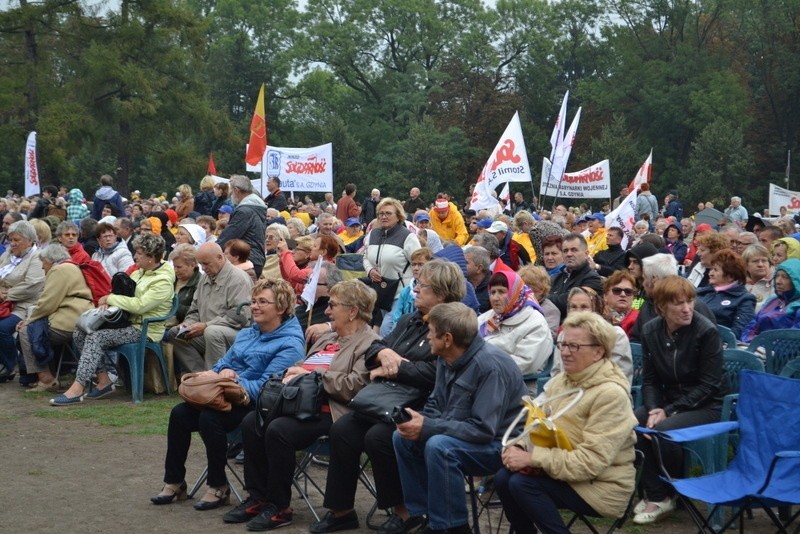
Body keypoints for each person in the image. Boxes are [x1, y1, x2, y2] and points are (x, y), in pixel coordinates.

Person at [302, 260, 465, 534]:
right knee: (343, 428)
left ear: (441, 292)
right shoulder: (410, 320)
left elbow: (440, 371)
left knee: (378, 437)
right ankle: (341, 511)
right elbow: (375, 347)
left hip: (426, 404)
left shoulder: (455, 325)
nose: (415, 290)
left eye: (422, 286)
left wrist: (398, 367)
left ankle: (404, 512)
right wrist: (384, 354)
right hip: (386, 398)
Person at [229, 280, 379, 531]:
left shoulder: (369, 344)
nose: (328, 311)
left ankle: (281, 508)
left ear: (352, 311)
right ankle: (259, 496)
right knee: (252, 420)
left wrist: (316, 375)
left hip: (332, 410)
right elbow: (302, 364)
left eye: (332, 305)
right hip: (299, 401)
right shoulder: (327, 337)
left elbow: (355, 386)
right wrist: (293, 372)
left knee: (279, 430)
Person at [151, 279, 305, 510]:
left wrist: (231, 379)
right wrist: (219, 374)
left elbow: (269, 388)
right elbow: (221, 365)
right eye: (253, 301)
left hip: (259, 407)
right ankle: (175, 481)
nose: (254, 306)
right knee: (180, 413)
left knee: (210, 418)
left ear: (281, 308)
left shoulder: (290, 344)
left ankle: (218, 485)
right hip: (227, 396)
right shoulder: (246, 334)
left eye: (263, 302)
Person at [496, 312, 637, 534]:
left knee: (523, 485)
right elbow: (536, 424)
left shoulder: (611, 394)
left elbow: (591, 462)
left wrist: (533, 458)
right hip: (564, 471)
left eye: (574, 346)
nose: (564, 353)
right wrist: (519, 447)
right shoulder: (563, 381)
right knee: (504, 478)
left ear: (598, 352)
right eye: (562, 344)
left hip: (601, 485)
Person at [392, 302, 527, 534]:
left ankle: (453, 526)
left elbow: (483, 430)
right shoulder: (446, 358)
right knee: (402, 437)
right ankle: (425, 516)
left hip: (503, 445)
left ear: (447, 338)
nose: (427, 336)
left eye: (431, 332)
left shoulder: (490, 366)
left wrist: (428, 427)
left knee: (440, 446)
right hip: (467, 436)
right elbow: (435, 404)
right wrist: (418, 422)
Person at [634, 275, 725, 524]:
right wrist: (654, 408)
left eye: (690, 302)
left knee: (663, 429)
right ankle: (657, 494)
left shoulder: (706, 331)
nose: (687, 309)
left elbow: (710, 385)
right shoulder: (650, 330)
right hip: (671, 401)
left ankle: (670, 492)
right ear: (662, 307)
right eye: (678, 303)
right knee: (636, 422)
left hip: (709, 404)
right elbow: (650, 380)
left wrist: (670, 410)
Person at [49, 233, 175, 405]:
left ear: (151, 257)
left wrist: (110, 299)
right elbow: (124, 293)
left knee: (97, 337)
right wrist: (109, 302)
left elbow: (140, 305)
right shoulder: (141, 272)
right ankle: (104, 380)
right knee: (80, 332)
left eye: (139, 253)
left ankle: (77, 388)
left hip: (145, 330)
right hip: (126, 323)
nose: (135, 256)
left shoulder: (163, 281)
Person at [167, 242, 253, 372]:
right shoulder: (205, 278)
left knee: (212, 332)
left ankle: (214, 380)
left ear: (220, 257)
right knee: (175, 333)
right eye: (201, 264)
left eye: (206, 264)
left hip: (237, 333)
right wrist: (188, 324)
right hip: (207, 330)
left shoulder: (238, 279)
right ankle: (200, 375)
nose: (203, 268)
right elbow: (195, 308)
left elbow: (239, 316)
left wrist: (206, 325)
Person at [478, 271, 553, 375]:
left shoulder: (536, 323)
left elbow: (526, 363)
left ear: (515, 293)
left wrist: (480, 364)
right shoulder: (488, 317)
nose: (495, 298)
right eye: (492, 292)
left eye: (501, 292)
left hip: (521, 386)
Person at [363, 198, 420, 333]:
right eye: (381, 214)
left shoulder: (408, 237)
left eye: (388, 213)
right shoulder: (373, 234)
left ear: (398, 216)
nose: (384, 216)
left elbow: (419, 262)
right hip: (379, 293)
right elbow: (365, 257)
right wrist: (370, 270)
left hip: (399, 294)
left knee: (386, 330)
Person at [0, 221, 45, 384]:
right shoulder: (7, 255)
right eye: (10, 240)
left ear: (29, 240)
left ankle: (9, 366)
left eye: (16, 240)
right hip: (5, 304)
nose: (12, 244)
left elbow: (31, 287)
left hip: (25, 307)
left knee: (2, 329)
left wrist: (6, 295)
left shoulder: (37, 258)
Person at [216, 175, 268, 278]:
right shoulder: (256, 208)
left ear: (236, 190)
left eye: (231, 192)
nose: (230, 196)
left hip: (245, 259)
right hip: (255, 259)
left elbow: (228, 237)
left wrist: (212, 251)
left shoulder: (244, 211)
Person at [696, 250, 755, 338]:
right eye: (711, 269)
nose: (710, 273)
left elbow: (737, 332)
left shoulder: (744, 299)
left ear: (730, 276)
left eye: (715, 270)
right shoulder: (701, 292)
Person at [740, 258, 800, 343]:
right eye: (777, 276)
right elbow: (751, 325)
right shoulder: (772, 300)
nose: (778, 281)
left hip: (778, 353)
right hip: (755, 348)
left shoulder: (797, 306)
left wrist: (763, 346)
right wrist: (750, 342)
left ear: (796, 281)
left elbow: (794, 341)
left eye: (785, 277)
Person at [549, 233, 603, 321]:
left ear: (586, 254)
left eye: (574, 250)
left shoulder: (593, 279)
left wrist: (544, 297)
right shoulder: (555, 278)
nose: (569, 254)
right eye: (565, 251)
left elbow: (566, 302)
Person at [518, 265, 560, 340]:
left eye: (526, 287)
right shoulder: (516, 306)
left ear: (540, 289)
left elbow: (548, 337)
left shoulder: (550, 310)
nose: (521, 291)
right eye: (519, 286)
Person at [604, 270, 639, 336]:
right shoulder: (596, 318)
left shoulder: (640, 319)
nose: (623, 294)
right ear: (605, 295)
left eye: (628, 291)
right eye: (617, 290)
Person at [743, 244, 774, 312]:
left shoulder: (776, 282)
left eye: (764, 261)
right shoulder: (740, 283)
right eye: (755, 261)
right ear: (746, 265)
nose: (760, 264)